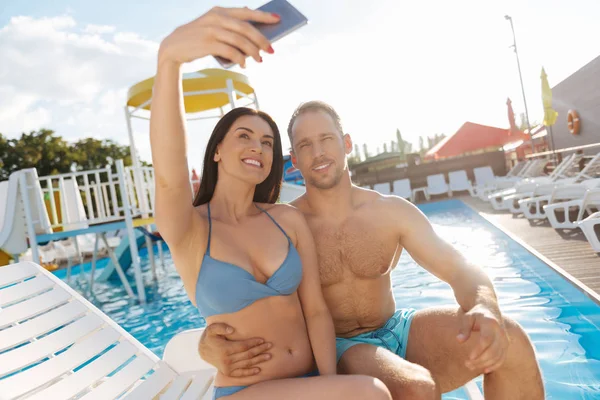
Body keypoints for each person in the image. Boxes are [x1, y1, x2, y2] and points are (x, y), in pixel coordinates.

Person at [199, 102, 546, 399]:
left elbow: (459, 268)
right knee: (415, 387)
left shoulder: (390, 211)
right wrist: (205, 344)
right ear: (294, 161)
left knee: (509, 338)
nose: (318, 153)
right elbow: (229, 288)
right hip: (336, 347)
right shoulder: (283, 225)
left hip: (396, 327)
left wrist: (484, 306)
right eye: (305, 145)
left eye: (326, 139)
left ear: (346, 143)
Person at [150, 6, 392, 400]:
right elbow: (168, 171)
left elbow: (315, 310)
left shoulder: (286, 220)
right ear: (216, 151)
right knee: (373, 393)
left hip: (310, 381)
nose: (257, 147)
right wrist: (170, 60)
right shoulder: (190, 228)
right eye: (244, 136)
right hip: (247, 391)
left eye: (267, 142)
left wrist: (328, 380)